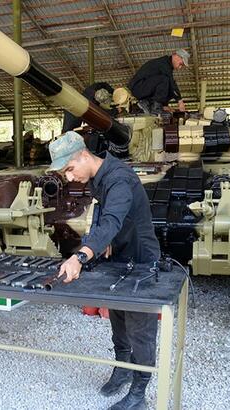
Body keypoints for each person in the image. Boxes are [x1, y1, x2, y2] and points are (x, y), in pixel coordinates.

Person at [48, 131, 161, 410]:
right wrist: (104, 242)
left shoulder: (119, 178)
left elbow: (111, 220)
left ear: (84, 155)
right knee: (118, 322)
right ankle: (122, 369)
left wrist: (80, 257)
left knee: (140, 331)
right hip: (119, 257)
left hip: (141, 260)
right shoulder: (99, 177)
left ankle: (139, 392)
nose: (70, 178)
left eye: (70, 169)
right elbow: (102, 214)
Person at [128, 49, 189, 115]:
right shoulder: (163, 63)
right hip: (137, 88)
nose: (179, 68)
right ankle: (155, 108)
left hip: (144, 89)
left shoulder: (167, 66)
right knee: (165, 80)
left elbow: (169, 88)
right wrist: (180, 101)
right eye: (181, 64)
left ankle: (150, 104)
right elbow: (172, 84)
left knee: (169, 85)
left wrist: (165, 105)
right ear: (176, 56)